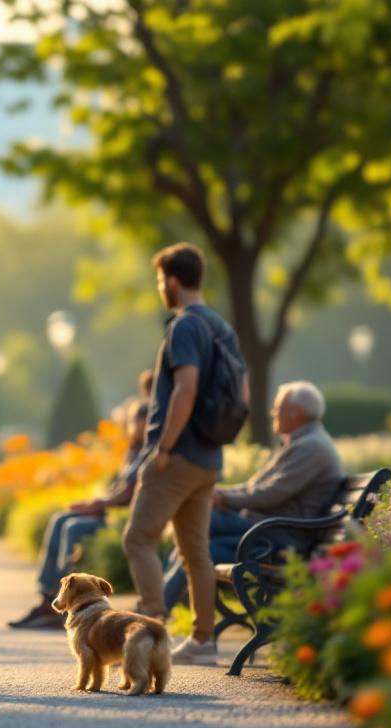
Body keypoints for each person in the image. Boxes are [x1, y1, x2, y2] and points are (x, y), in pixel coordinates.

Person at [124, 242, 245, 667]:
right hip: (209, 458)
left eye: (160, 280)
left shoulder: (186, 327)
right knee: (196, 552)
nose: (161, 288)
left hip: (177, 456)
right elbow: (241, 392)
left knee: (138, 539)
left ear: (173, 281)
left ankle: (151, 630)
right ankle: (204, 640)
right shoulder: (221, 327)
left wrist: (166, 447)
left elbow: (186, 388)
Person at [162, 381, 343, 610]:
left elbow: (271, 494)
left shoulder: (311, 447)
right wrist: (216, 493)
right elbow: (254, 487)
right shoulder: (302, 442)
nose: (272, 412)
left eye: (278, 408)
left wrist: (223, 499)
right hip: (267, 531)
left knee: (198, 523)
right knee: (194, 541)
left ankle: (155, 607)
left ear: (296, 413)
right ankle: (157, 605)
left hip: (279, 538)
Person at [8, 373, 153, 630]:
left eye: (137, 421)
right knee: (61, 519)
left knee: (73, 527)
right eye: (132, 421)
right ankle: (48, 598)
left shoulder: (148, 453)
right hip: (109, 512)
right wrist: (94, 502)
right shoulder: (132, 451)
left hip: (122, 519)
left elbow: (129, 494)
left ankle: (63, 600)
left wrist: (96, 505)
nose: (132, 426)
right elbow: (117, 487)